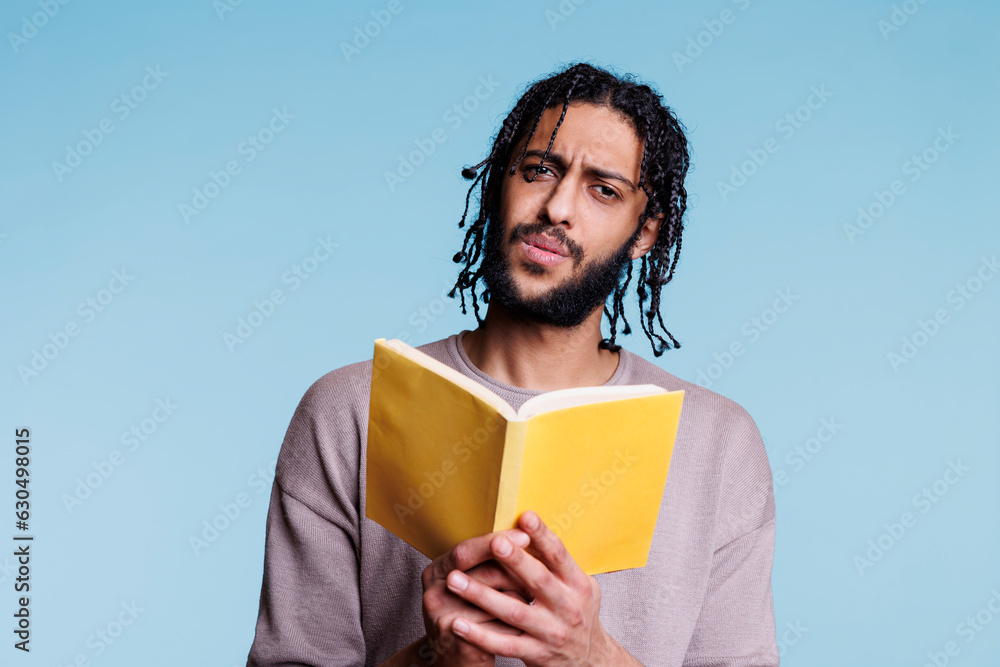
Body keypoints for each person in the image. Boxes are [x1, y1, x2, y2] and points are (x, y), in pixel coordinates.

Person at [247, 62, 778, 666]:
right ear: (500, 183)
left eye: (603, 190)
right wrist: (433, 660)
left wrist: (593, 657)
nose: (557, 208)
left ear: (645, 232)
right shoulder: (350, 411)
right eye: (539, 170)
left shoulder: (720, 444)